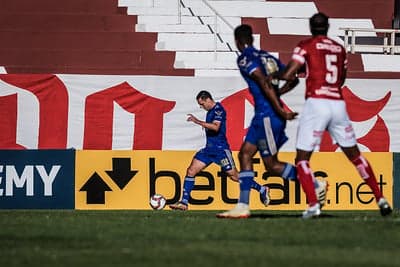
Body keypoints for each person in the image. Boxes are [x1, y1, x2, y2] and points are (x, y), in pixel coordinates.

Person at [280, 12, 392, 218]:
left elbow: (289, 73)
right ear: (328, 26)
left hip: (317, 102)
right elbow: (341, 79)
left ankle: (313, 205)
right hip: (337, 103)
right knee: (355, 156)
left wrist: (273, 75)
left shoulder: (306, 45)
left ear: (311, 27)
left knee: (302, 159)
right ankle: (380, 198)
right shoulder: (339, 48)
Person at [217, 24, 327, 218]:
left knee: (271, 165)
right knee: (246, 155)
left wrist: (279, 109)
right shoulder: (268, 57)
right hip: (263, 116)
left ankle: (315, 183)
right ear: (251, 39)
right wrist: (279, 94)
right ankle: (242, 206)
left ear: (237, 42)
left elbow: (263, 82)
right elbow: (292, 78)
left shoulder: (245, 58)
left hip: (268, 115)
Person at [169, 90, 270, 211]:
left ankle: (262, 189)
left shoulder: (218, 110)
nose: (201, 107)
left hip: (221, 151)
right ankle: (184, 203)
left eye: (201, 104)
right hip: (208, 150)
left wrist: (198, 121)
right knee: (191, 171)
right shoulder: (210, 111)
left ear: (207, 99)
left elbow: (216, 127)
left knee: (234, 176)